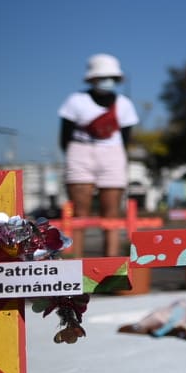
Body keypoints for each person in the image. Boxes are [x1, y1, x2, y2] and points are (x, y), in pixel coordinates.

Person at [58, 53, 140, 256]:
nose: (107, 81)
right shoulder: (76, 100)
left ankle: (111, 270)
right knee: (79, 214)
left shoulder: (124, 104)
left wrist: (111, 153)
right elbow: (65, 136)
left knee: (111, 215)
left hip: (112, 153)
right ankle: (73, 270)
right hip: (80, 151)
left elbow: (126, 138)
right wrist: (76, 155)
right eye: (103, 76)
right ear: (92, 78)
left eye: (111, 77)